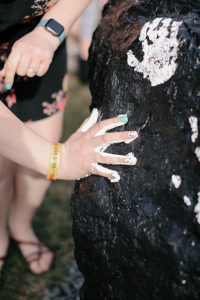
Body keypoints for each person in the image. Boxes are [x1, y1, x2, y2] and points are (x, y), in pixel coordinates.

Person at [0, 0, 138, 276]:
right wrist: (60, 160)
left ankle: (20, 223)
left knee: (37, 170)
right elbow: (54, 159)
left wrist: (49, 31)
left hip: (39, 42)